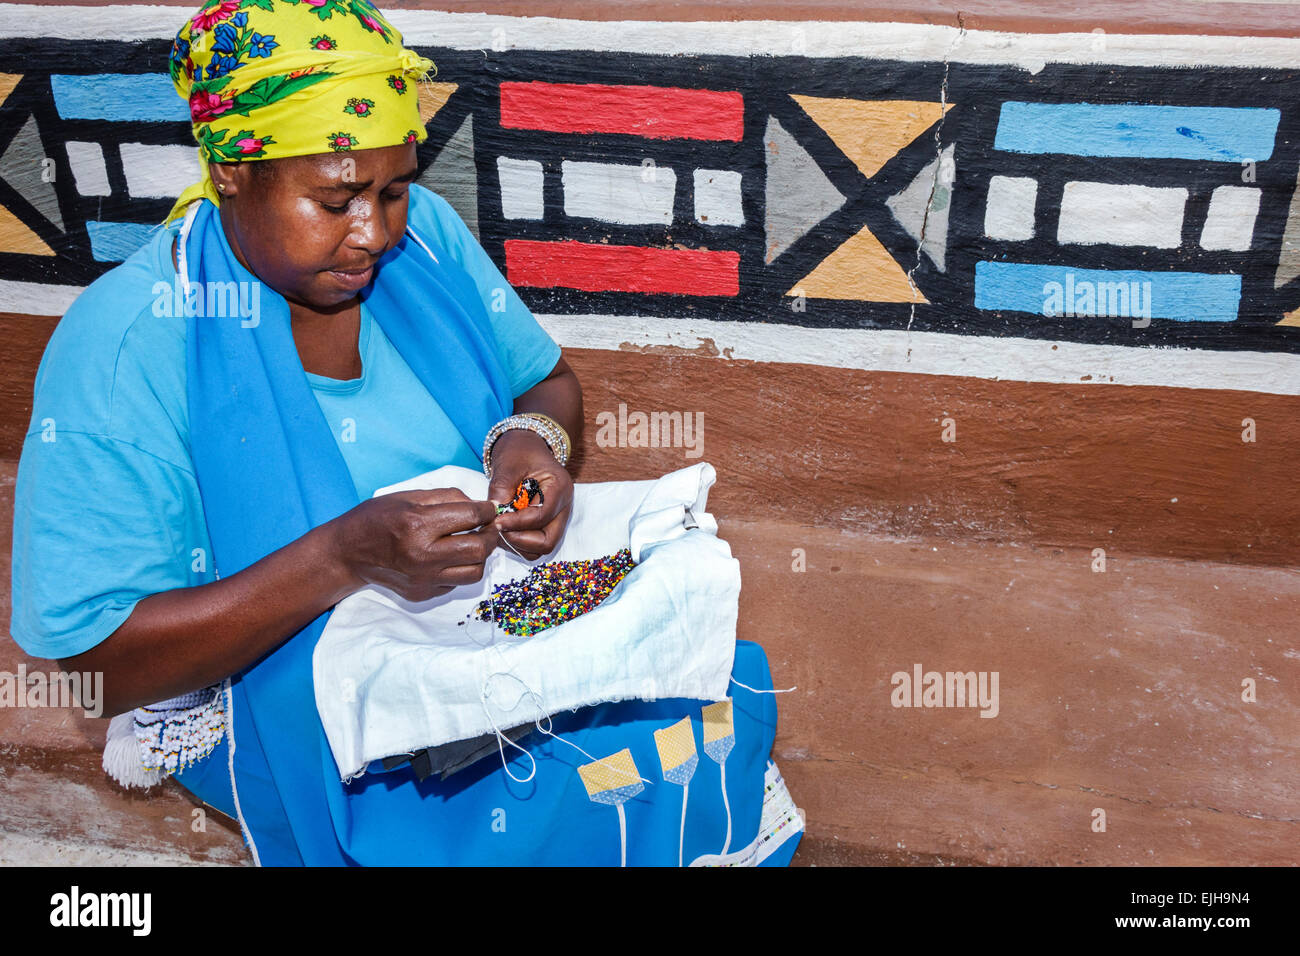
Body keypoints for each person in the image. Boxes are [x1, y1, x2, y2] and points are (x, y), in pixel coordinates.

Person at [8, 0, 799, 866]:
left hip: (470, 614)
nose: (374, 232)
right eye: (335, 198)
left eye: (392, 190)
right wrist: (343, 560)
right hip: (272, 672)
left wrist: (528, 447)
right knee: (516, 791)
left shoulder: (422, 244)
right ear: (231, 170)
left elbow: (546, 381)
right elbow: (101, 663)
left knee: (682, 694)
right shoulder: (128, 350)